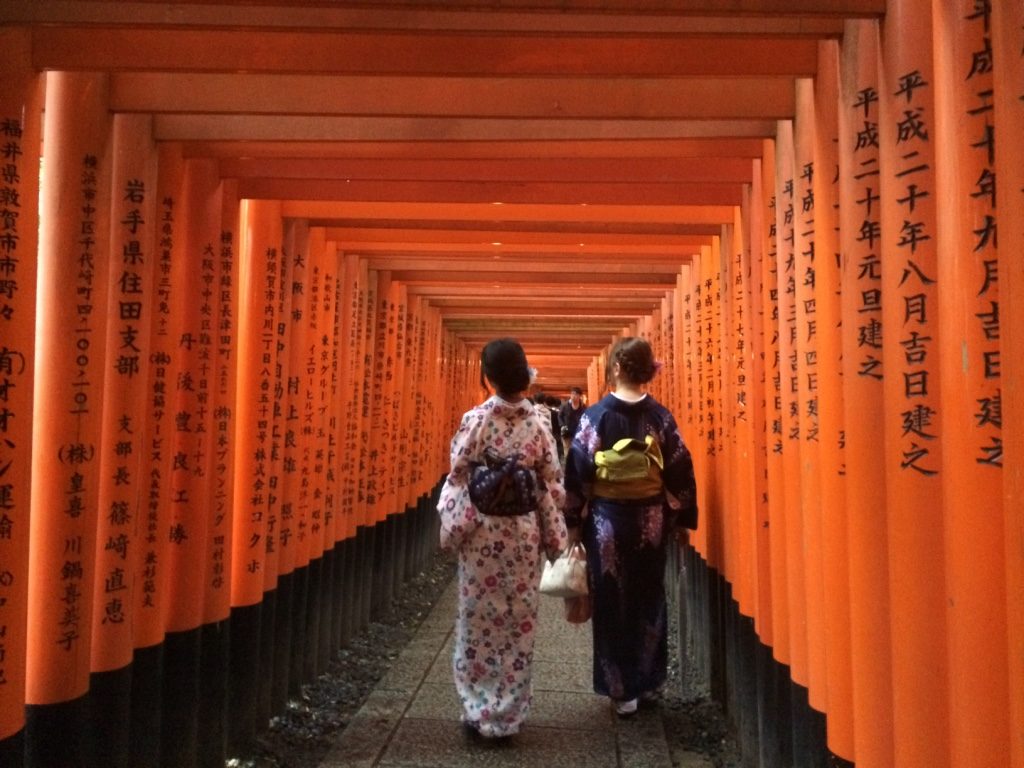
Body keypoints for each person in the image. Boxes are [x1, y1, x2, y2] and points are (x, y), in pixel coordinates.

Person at [437, 338, 568, 742]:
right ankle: (508, 715)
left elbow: (457, 472)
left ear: (488, 376)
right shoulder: (540, 422)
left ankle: (477, 711)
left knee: (477, 621)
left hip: (482, 532)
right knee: (517, 623)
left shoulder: (475, 420)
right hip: (523, 533)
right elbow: (552, 480)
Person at [562, 337, 698, 718]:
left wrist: (573, 522)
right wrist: (682, 518)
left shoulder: (596, 416)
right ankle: (648, 680)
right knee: (648, 596)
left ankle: (621, 688)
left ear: (617, 367)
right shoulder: (661, 417)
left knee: (611, 600)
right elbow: (679, 469)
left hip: (607, 520)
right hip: (651, 519)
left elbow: (577, 473)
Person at [558, 386, 585, 455]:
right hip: (566, 433)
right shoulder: (565, 405)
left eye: (576, 394)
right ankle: (568, 465)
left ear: (580, 396)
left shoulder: (583, 407)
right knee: (567, 451)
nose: (573, 396)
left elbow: (585, 418)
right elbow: (560, 416)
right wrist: (562, 425)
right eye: (572, 394)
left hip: (578, 433)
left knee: (577, 451)